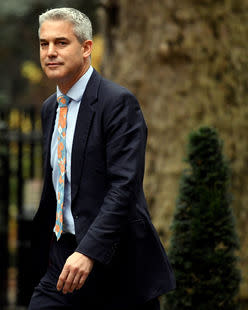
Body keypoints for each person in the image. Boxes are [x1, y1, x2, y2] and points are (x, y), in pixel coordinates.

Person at [28, 8, 176, 310]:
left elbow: (124, 188)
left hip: (116, 265)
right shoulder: (49, 109)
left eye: (61, 43)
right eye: (44, 44)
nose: (50, 52)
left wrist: (89, 251)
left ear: (86, 48)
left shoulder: (118, 103)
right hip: (62, 260)